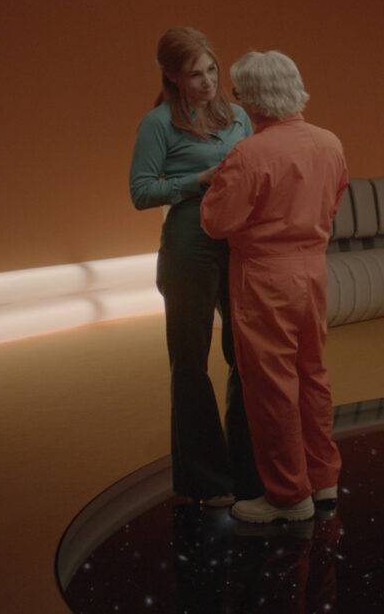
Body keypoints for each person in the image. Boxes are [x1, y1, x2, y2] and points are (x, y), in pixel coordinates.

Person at [200, 50, 349, 524]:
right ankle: (323, 479)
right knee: (312, 375)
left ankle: (287, 496)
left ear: (251, 98)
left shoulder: (249, 153)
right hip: (313, 270)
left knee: (272, 388)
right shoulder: (329, 142)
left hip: (263, 277)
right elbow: (333, 203)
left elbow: (215, 222)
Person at [129, 27, 263, 507]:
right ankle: (206, 480)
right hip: (189, 247)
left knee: (244, 354)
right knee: (190, 361)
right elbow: (141, 192)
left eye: (211, 70)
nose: (208, 82)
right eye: (194, 74)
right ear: (172, 77)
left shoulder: (239, 116)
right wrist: (198, 179)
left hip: (237, 242)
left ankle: (248, 468)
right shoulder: (157, 124)